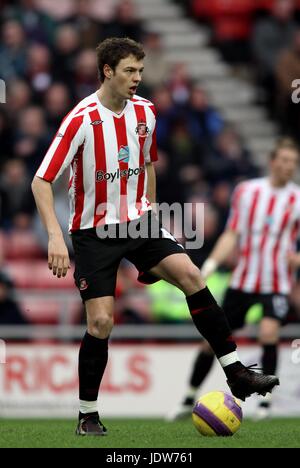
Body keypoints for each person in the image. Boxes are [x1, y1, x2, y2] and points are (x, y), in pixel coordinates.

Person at [31, 37, 279, 436]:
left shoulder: (146, 112)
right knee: (101, 323)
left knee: (192, 276)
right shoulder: (81, 119)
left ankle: (236, 373)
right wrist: (55, 237)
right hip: (93, 233)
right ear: (108, 71)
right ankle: (88, 415)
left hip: (139, 224)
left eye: (141, 71)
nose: (138, 78)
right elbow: (41, 181)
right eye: (130, 70)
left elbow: (148, 164)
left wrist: (150, 212)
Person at [169, 137, 299, 421]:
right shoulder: (247, 191)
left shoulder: (297, 199)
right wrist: (212, 264)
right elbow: (232, 233)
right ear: (272, 161)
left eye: (294, 162)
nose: (290, 166)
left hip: (276, 282)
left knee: (268, 333)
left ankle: (265, 405)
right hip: (242, 281)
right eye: (285, 160)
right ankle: (188, 397)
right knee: (211, 342)